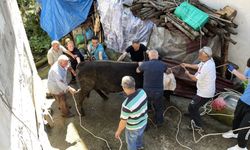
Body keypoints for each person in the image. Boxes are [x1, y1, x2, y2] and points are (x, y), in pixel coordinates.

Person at [181, 46, 216, 131]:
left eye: (201, 56)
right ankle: (192, 114)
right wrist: (186, 65)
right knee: (193, 106)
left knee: (192, 107)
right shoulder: (208, 60)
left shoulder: (207, 66)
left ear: (207, 56)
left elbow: (194, 78)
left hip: (205, 93)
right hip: (203, 90)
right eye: (199, 54)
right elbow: (198, 66)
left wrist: (187, 73)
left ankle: (198, 126)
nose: (199, 57)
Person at [222, 58, 250, 150]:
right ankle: (234, 133)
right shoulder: (249, 69)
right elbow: (245, 78)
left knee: (244, 128)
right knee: (237, 118)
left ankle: (242, 147)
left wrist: (233, 71)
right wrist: (233, 71)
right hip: (243, 100)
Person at [115, 76, 148, 150]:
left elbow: (123, 122)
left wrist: (118, 131)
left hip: (133, 128)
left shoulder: (126, 105)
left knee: (131, 142)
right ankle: (139, 146)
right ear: (134, 84)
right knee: (140, 135)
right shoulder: (142, 92)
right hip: (143, 122)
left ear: (123, 87)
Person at [136, 50, 167, 127]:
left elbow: (137, 71)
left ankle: (145, 125)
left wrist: (140, 65)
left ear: (149, 56)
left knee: (144, 108)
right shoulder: (163, 64)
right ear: (157, 56)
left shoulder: (145, 64)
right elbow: (168, 71)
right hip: (159, 91)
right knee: (159, 107)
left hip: (147, 91)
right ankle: (159, 122)